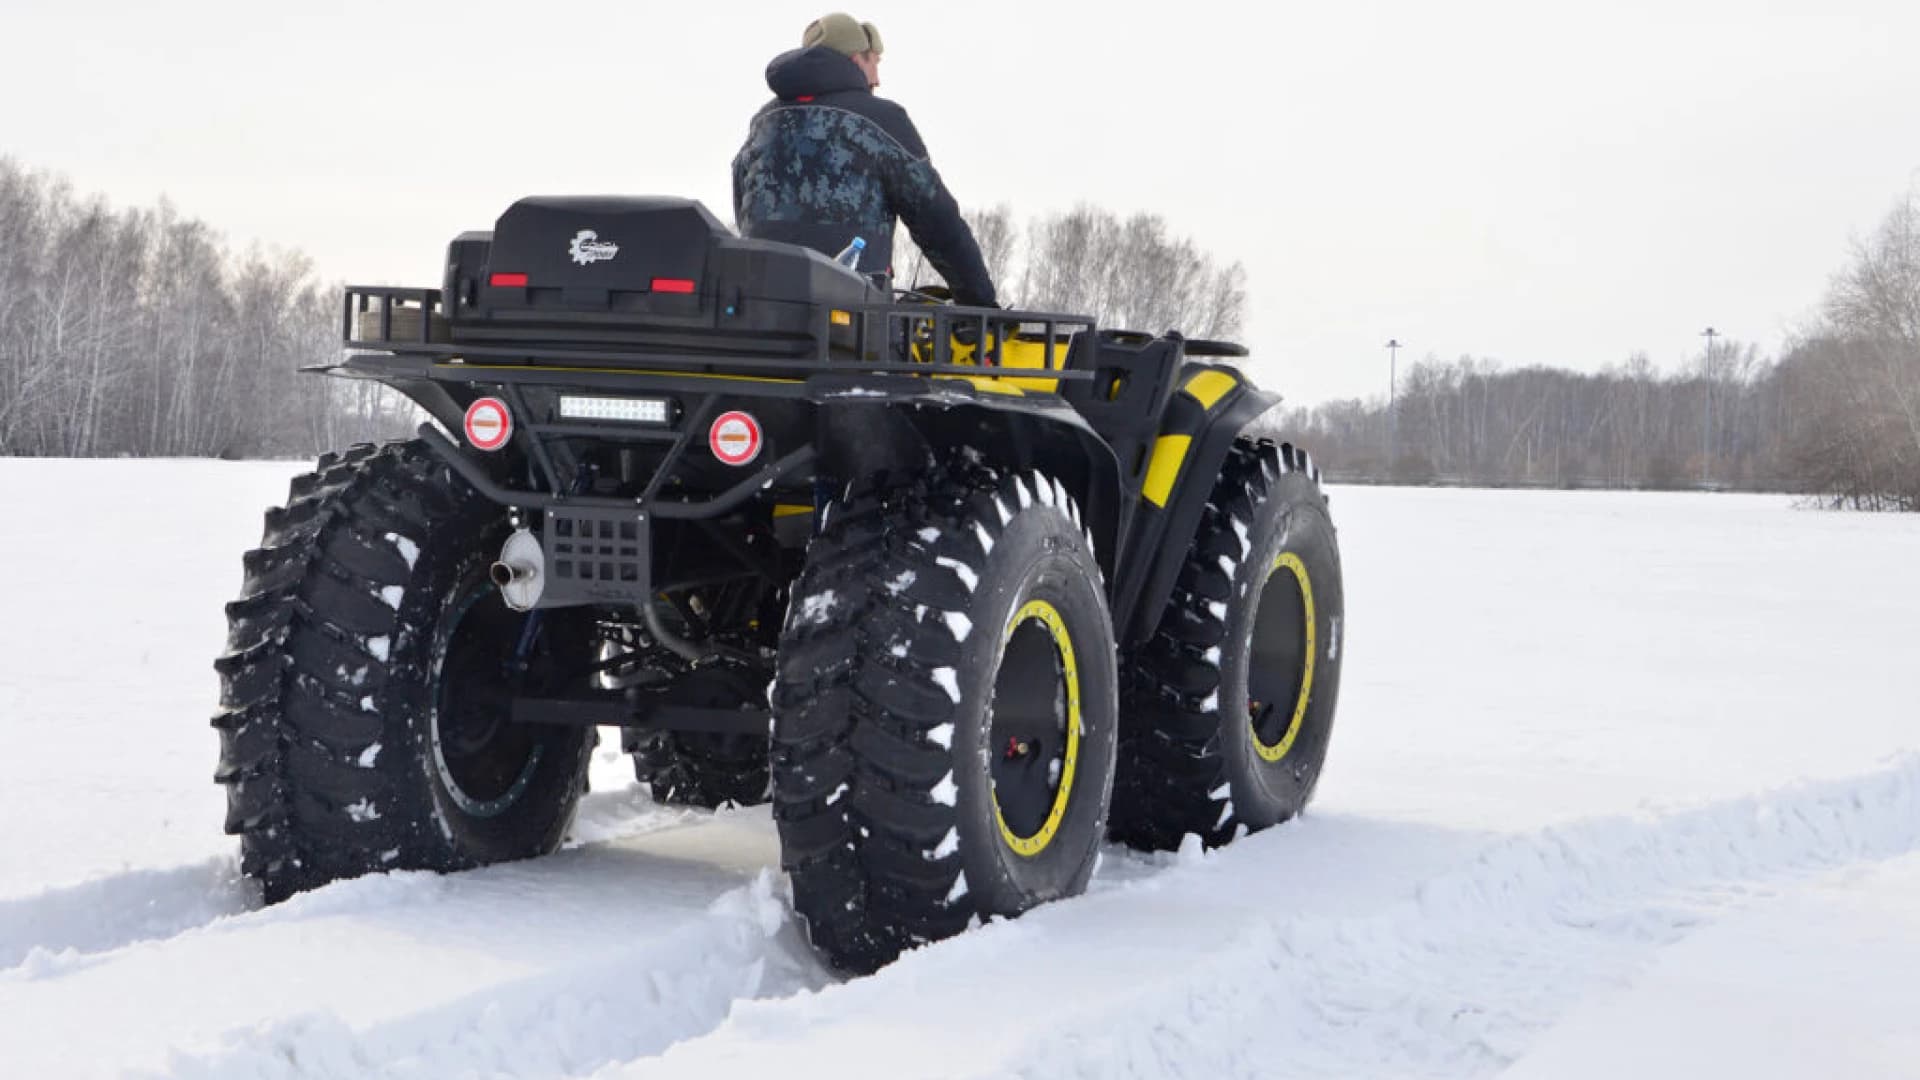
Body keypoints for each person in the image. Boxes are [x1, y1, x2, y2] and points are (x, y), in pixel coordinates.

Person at [732, 13, 999, 308]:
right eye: (874, 62)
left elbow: (744, 208)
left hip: (760, 312)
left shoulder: (764, 121)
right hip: (850, 323)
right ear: (856, 59)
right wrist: (978, 301)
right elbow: (937, 221)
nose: (877, 79)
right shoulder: (880, 119)